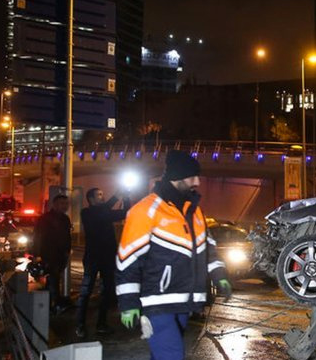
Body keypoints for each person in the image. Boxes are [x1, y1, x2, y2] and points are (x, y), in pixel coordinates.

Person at [115, 150, 231, 360]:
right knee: (171, 355)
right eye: (192, 176)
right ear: (177, 177)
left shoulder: (195, 210)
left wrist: (219, 275)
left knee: (162, 355)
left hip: (184, 301)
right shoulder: (145, 210)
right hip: (156, 303)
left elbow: (209, 247)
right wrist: (128, 303)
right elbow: (127, 259)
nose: (197, 181)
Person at [75, 188, 131, 338]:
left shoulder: (105, 212)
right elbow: (101, 213)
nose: (102, 196)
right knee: (86, 291)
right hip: (93, 258)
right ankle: (80, 325)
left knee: (107, 292)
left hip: (107, 258)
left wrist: (126, 197)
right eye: (99, 195)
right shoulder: (87, 213)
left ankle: (101, 324)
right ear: (91, 199)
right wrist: (115, 197)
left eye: (102, 194)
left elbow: (126, 212)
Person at [32, 194, 72, 314]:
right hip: (49, 254)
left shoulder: (65, 219)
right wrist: (36, 254)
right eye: (61, 203)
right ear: (54, 204)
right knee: (52, 279)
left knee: (54, 279)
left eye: (66, 204)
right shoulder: (45, 218)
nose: (64, 206)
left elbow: (67, 237)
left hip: (61, 255)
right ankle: (53, 305)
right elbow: (38, 237)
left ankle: (52, 305)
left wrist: (67, 252)